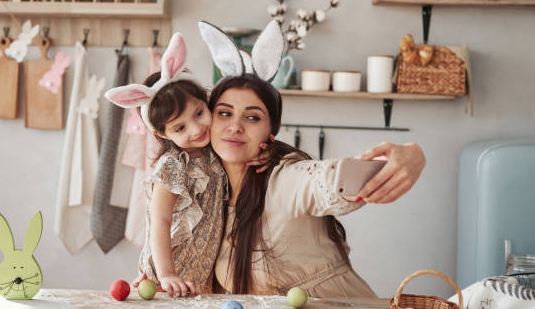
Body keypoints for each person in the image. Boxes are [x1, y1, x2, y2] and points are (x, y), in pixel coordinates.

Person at [198, 19, 426, 297]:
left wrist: (411, 155)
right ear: (210, 120)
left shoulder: (286, 180)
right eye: (224, 113)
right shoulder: (208, 193)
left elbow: (327, 180)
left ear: (270, 133)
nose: (235, 126)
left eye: (252, 117)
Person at [105, 33, 226, 297]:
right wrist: (166, 272)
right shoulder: (173, 165)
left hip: (199, 277)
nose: (196, 129)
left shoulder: (216, 154)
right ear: (162, 134)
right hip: (166, 277)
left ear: (206, 102)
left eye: (199, 113)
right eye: (180, 127)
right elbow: (159, 219)